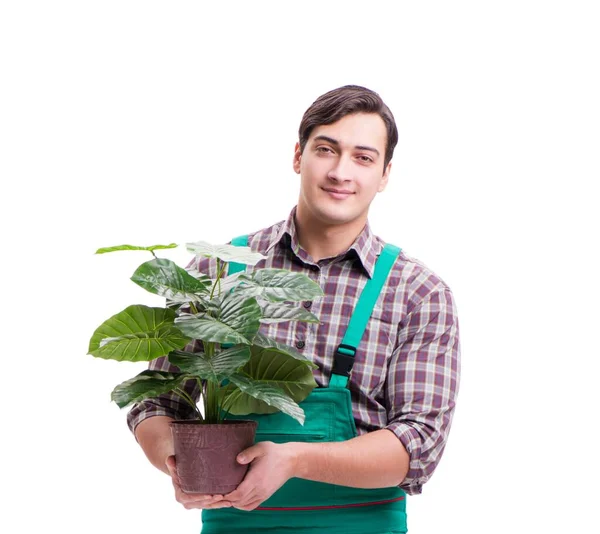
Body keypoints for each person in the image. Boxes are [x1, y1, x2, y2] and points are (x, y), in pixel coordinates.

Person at [127, 85, 461, 533]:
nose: (341, 172)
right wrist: (179, 460)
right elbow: (158, 400)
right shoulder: (219, 269)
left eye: (363, 157)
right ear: (298, 156)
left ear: (384, 175)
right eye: (327, 150)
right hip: (236, 524)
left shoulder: (418, 292)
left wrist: (294, 459)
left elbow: (419, 445)